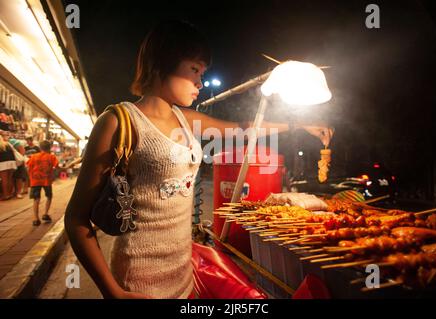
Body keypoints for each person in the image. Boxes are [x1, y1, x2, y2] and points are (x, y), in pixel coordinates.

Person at [64, 20, 334, 299]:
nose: (200, 83)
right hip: (139, 285)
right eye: (194, 69)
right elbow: (75, 218)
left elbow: (243, 129)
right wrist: (113, 293)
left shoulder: (185, 119)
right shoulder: (118, 122)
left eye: (202, 72)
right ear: (161, 63)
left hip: (184, 277)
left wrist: (300, 126)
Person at [27, 140, 59, 226]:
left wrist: (30, 178)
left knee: (36, 199)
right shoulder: (51, 157)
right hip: (47, 181)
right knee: (49, 196)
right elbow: (57, 166)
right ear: (49, 148)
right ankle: (45, 213)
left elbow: (28, 166)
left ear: (40, 148)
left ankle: (36, 219)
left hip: (35, 180)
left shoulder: (33, 156)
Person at [0, 135, 17, 200]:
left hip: (3, 163)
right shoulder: (7, 144)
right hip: (12, 162)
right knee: (9, 179)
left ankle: (6, 195)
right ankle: (9, 194)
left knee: (4, 180)